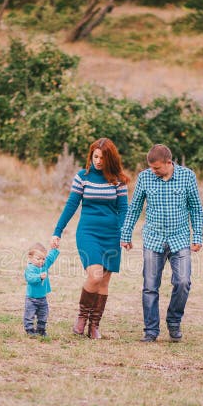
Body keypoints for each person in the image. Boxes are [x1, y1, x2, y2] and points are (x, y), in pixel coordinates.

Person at [120, 144, 203, 343]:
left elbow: (196, 209)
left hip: (180, 238)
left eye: (157, 168)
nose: (153, 171)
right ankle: (151, 330)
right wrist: (126, 234)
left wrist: (197, 236)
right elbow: (134, 208)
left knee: (183, 282)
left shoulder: (187, 176)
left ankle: (174, 322)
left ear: (169, 162)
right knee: (150, 286)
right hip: (153, 238)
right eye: (151, 167)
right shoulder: (145, 177)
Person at [52, 138, 129, 339]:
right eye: (95, 157)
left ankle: (94, 325)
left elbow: (123, 210)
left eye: (102, 158)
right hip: (88, 232)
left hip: (112, 234)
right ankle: (81, 317)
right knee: (94, 276)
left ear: (110, 158)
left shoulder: (118, 180)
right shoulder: (82, 177)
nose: (98, 161)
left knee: (103, 282)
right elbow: (71, 205)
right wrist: (57, 231)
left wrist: (124, 234)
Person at [23, 242, 60, 336]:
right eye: (38, 258)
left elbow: (50, 258)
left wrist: (54, 249)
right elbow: (30, 279)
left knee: (43, 314)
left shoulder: (44, 265)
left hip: (42, 297)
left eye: (43, 258)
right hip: (31, 298)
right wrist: (39, 277)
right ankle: (29, 330)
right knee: (29, 314)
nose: (41, 261)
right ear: (30, 258)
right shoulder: (30, 268)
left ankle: (41, 330)